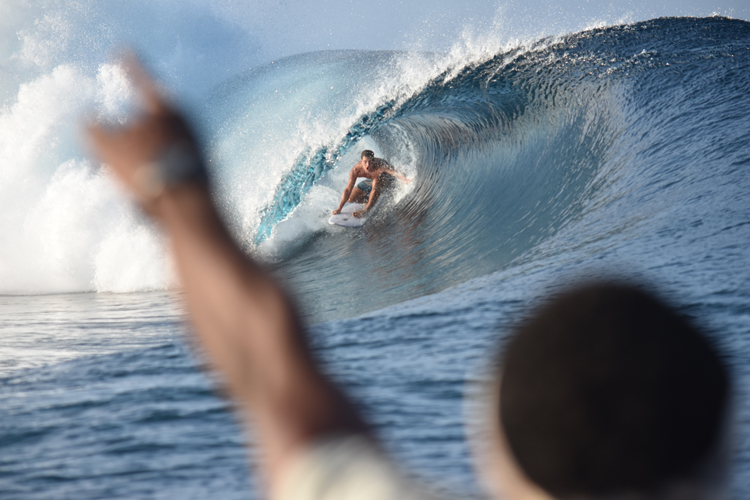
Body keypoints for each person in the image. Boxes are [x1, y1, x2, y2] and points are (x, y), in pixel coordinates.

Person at [86, 57, 732, 500]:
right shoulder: (367, 169)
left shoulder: (373, 170)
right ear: (721, 458)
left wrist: (176, 189)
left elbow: (273, 377)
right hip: (367, 216)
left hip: (358, 213)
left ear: (491, 447)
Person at [331, 149, 411, 219]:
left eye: (370, 161)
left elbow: (395, 172)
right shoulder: (355, 170)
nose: (368, 165)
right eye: (365, 162)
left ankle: (367, 209)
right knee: (350, 198)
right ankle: (370, 201)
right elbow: (347, 189)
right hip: (371, 181)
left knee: (376, 181)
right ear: (361, 161)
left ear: (373, 160)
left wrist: (405, 180)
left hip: (387, 181)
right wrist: (339, 208)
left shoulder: (380, 164)